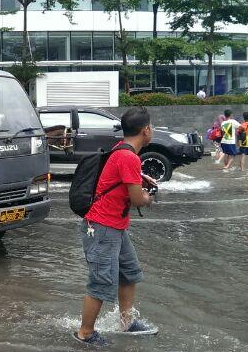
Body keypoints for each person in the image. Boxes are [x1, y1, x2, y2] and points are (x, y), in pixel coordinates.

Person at [74, 106, 158, 347]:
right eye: (150, 127)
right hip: (101, 227)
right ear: (146, 130)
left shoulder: (121, 150)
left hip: (115, 227)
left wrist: (140, 179)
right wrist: (149, 197)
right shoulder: (128, 156)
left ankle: (126, 322)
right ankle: (85, 333)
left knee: (129, 273)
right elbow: (137, 200)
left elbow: (118, 179)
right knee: (101, 281)